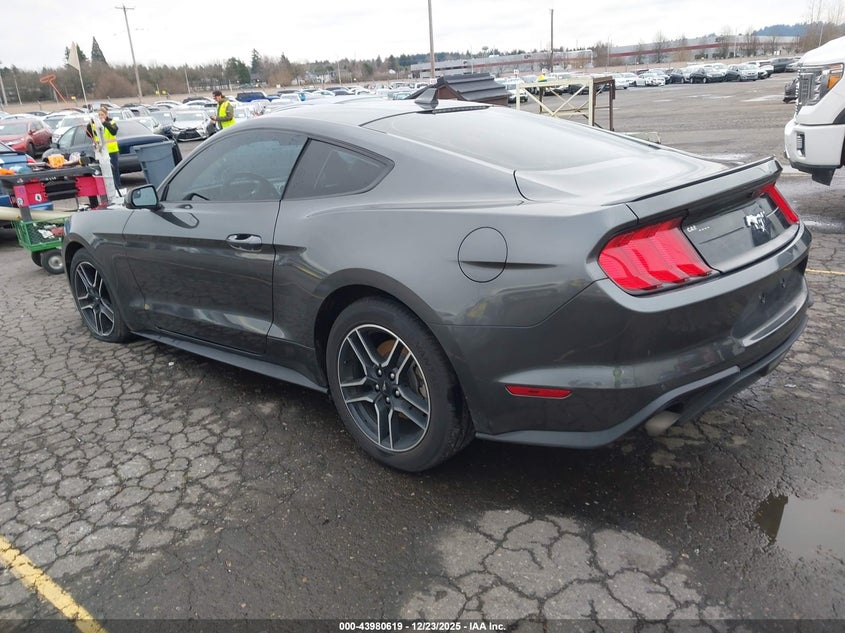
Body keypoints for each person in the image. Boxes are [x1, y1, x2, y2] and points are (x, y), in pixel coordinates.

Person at [88, 107, 121, 193]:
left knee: (114, 169)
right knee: (103, 170)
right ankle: (107, 189)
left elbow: (114, 131)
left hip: (111, 150)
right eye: (99, 115)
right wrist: (90, 123)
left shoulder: (111, 122)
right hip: (101, 151)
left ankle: (118, 187)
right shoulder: (95, 124)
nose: (100, 116)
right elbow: (89, 133)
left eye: (102, 115)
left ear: (106, 115)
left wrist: (105, 123)